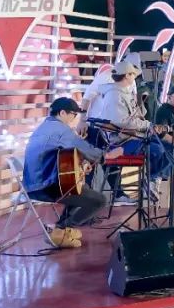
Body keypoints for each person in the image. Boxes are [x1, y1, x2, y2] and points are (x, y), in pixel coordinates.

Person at [22, 98, 123, 248]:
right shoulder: (61, 129)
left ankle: (62, 229)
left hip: (31, 186)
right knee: (99, 200)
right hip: (46, 186)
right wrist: (107, 155)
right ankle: (62, 230)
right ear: (62, 113)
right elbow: (81, 146)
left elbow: (61, 157)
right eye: (73, 114)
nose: (74, 119)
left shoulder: (43, 128)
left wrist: (81, 165)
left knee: (80, 187)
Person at [87, 61, 172, 200]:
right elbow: (122, 121)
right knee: (158, 150)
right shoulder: (114, 94)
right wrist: (148, 125)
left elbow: (133, 117)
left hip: (132, 137)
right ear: (127, 75)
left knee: (168, 148)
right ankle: (151, 180)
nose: (134, 77)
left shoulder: (123, 92)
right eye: (133, 74)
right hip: (122, 140)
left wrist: (145, 119)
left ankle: (151, 179)